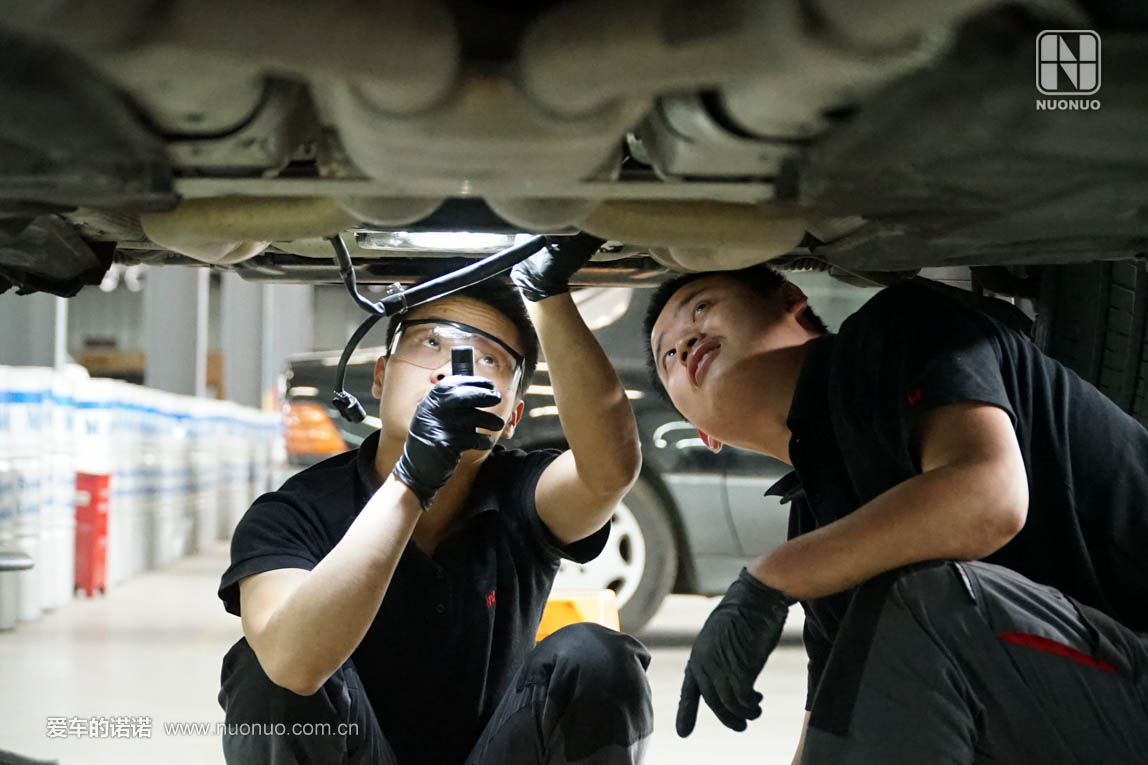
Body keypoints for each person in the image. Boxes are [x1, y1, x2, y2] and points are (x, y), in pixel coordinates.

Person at [643, 264, 1148, 763]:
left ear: (789, 298)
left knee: (924, 599)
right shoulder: (818, 517)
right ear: (704, 435)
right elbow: (840, 720)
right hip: (1083, 707)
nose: (686, 341)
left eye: (702, 308)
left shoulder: (899, 327)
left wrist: (769, 579)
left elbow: (988, 499)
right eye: (668, 355)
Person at [216, 236, 652, 765]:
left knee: (597, 656)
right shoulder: (296, 512)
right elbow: (291, 666)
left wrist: (548, 295)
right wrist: (412, 482)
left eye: (488, 359)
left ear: (511, 417)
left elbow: (608, 472)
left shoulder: (519, 492)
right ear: (380, 376)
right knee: (265, 661)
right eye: (430, 343)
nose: (452, 370)